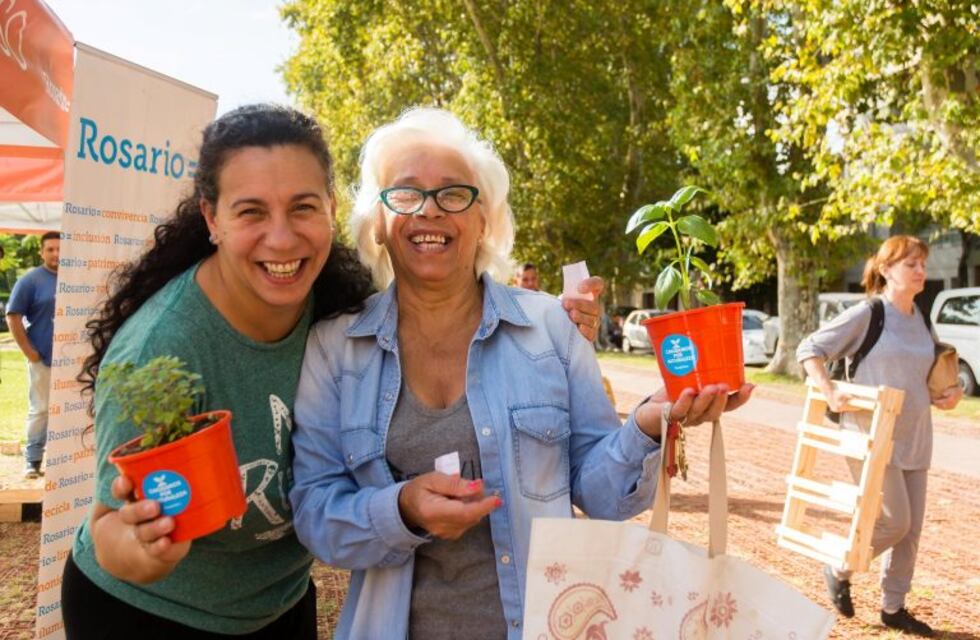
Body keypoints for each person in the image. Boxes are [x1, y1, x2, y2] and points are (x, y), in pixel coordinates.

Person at [61, 104, 603, 639]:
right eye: (251, 211)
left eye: (302, 208)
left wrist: (565, 332)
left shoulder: (334, 305)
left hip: (279, 605)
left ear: (330, 208)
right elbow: (109, 524)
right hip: (155, 614)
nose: (282, 238)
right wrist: (143, 551)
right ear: (212, 218)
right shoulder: (161, 352)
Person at [289, 107, 753, 640]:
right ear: (377, 221)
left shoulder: (549, 328)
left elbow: (602, 496)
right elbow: (316, 514)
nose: (430, 211)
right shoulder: (335, 348)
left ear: (485, 219)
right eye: (406, 194)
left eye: (453, 194)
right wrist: (403, 510)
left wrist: (647, 425)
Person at [797, 235, 962, 638]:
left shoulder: (920, 317)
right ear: (886, 269)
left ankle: (894, 608)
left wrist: (946, 394)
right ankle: (840, 568)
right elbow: (810, 347)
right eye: (911, 264)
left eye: (923, 263)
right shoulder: (870, 313)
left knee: (912, 530)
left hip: (916, 435)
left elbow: (921, 372)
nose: (921, 271)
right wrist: (829, 390)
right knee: (895, 522)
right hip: (872, 435)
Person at [6, 231, 60, 479]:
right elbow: (13, 315)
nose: (56, 254)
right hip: (44, 359)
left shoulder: (78, 278)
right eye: (50, 249)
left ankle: (64, 461)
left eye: (60, 249)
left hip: (73, 361)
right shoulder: (31, 281)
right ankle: (33, 460)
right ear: (41, 252)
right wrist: (29, 352)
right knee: (41, 410)